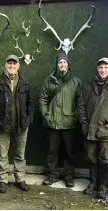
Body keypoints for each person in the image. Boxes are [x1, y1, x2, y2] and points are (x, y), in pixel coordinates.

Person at [78, 57, 108, 199]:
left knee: (105, 159)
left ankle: (103, 187)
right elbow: (81, 105)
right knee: (91, 157)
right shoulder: (89, 86)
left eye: (106, 67)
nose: (103, 70)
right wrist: (84, 122)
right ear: (97, 69)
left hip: (106, 131)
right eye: (100, 67)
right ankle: (93, 184)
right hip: (90, 130)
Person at [0, 54, 35, 193]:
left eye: (14, 64)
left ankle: (20, 178)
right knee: (2, 155)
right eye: (9, 63)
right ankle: (2, 179)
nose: (12, 66)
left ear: (18, 66)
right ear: (5, 65)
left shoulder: (25, 83)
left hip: (21, 125)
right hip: (2, 125)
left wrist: (27, 120)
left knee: (20, 154)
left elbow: (31, 104)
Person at [38, 52, 82, 187]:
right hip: (53, 123)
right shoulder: (48, 80)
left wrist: (75, 117)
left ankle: (68, 176)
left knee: (69, 151)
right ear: (56, 65)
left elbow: (80, 102)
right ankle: (52, 175)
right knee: (52, 151)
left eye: (64, 62)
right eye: (60, 62)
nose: (62, 64)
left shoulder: (76, 81)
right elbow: (42, 99)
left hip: (69, 123)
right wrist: (46, 115)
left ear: (68, 64)